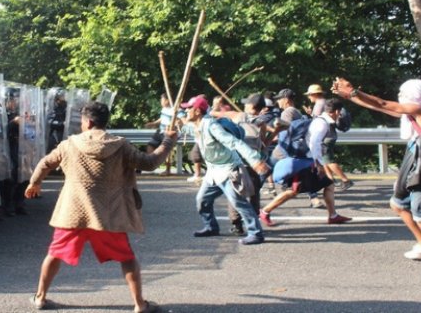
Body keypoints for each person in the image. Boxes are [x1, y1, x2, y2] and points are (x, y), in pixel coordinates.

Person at [25, 101, 177, 313]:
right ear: (104, 122)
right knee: (127, 258)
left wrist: (35, 183)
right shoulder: (120, 145)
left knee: (54, 253)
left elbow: (45, 163)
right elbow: (149, 162)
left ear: (87, 122)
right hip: (108, 214)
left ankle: (40, 298)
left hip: (74, 212)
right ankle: (139, 304)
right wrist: (168, 141)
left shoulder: (69, 144)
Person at [332, 78, 421, 280]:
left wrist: (354, 90)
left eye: (403, 92)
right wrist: (350, 96)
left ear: (413, 93)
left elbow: (383, 103)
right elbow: (380, 107)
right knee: (398, 204)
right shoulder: (416, 111)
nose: (399, 95)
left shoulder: (420, 110)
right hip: (414, 163)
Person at [181, 95, 270, 245]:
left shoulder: (212, 126)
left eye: (189, 109)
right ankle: (211, 227)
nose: (186, 111)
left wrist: (254, 160)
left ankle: (256, 233)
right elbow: (186, 128)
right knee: (202, 200)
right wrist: (176, 126)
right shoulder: (197, 125)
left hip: (228, 169)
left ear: (197, 111)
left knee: (238, 201)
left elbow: (234, 142)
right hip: (213, 171)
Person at [258, 99, 352, 227]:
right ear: (336, 111)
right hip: (305, 162)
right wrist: (318, 164)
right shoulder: (322, 124)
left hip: (308, 161)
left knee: (329, 184)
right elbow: (314, 143)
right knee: (294, 191)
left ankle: (333, 215)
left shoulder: (321, 121)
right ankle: (265, 211)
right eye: (340, 112)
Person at [304, 85, 354, 190]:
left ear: (315, 94)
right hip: (328, 134)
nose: (309, 97)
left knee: (328, 160)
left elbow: (317, 120)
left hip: (325, 136)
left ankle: (345, 180)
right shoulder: (324, 102)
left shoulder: (319, 104)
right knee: (324, 159)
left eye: (309, 95)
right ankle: (330, 180)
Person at [144, 93, 175, 175]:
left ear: (168, 100)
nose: (161, 102)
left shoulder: (174, 110)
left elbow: (179, 120)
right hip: (160, 131)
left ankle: (168, 170)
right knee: (150, 145)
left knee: (166, 150)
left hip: (168, 132)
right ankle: (151, 165)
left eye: (162, 100)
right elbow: (162, 118)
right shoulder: (164, 109)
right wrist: (154, 123)